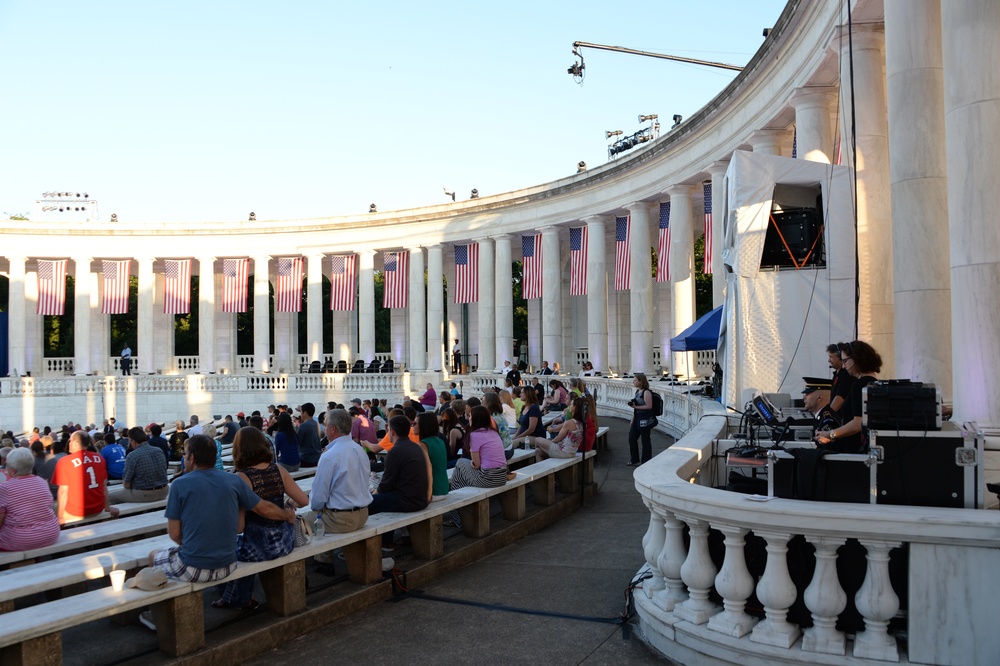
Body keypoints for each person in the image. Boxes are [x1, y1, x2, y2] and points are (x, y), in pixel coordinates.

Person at [215, 427, 309, 609]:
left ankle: (236, 598)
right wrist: (287, 503)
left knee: (226, 550)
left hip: (260, 547)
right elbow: (304, 501)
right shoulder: (278, 469)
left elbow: (239, 527)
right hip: (284, 541)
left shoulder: (242, 478)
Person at [368, 416, 431, 549]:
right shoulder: (416, 447)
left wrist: (373, 494)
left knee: (367, 503)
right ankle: (386, 541)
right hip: (420, 498)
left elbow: (385, 485)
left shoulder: (395, 451)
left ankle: (377, 544)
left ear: (392, 432)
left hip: (409, 501)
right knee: (382, 499)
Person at [815, 340, 882, 454]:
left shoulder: (859, 384)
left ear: (857, 359)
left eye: (845, 361)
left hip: (854, 450)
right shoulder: (874, 383)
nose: (843, 365)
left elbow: (857, 423)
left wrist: (830, 434)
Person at [52, 431, 120, 524]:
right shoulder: (99, 458)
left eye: (70, 441)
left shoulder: (64, 462)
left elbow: (63, 491)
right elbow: (104, 486)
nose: (69, 443)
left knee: (51, 508)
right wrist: (107, 508)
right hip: (97, 509)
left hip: (75, 512)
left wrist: (60, 517)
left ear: (75, 443)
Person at [0, 448, 61, 551]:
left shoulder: (5, 488)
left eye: (7, 465)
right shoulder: (42, 482)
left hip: (21, 540)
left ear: (13, 471)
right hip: (51, 534)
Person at [449, 406, 509, 490]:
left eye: (470, 416)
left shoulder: (474, 435)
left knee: (460, 462)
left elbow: (476, 464)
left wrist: (470, 464)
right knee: (463, 473)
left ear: (475, 419)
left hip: (488, 479)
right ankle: (458, 490)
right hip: (502, 477)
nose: (469, 418)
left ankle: (454, 490)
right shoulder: (493, 432)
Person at [110, 427, 169, 504]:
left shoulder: (133, 455)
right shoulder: (159, 451)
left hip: (144, 494)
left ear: (134, 442)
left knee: (109, 497)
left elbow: (126, 484)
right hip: (164, 491)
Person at [416, 413, 449, 500]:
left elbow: (424, 471)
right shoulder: (440, 441)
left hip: (433, 492)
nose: (412, 426)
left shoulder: (422, 445)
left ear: (423, 426)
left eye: (415, 424)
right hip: (444, 489)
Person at [627, 373, 655, 467]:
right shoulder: (638, 392)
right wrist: (633, 418)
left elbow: (649, 406)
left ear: (641, 381)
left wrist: (636, 407)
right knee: (632, 438)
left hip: (645, 419)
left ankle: (646, 460)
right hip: (637, 417)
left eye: (635, 380)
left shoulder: (646, 392)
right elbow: (636, 407)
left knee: (645, 440)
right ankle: (634, 458)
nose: (633, 382)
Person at [827, 343, 855, 418]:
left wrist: (827, 416)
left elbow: (840, 398)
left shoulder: (846, 375)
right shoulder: (837, 374)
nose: (829, 360)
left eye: (831, 357)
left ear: (839, 357)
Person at [296, 403, 323, 468]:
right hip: (317, 458)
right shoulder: (316, 424)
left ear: (305, 413)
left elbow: (297, 442)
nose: (300, 415)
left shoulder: (303, 425)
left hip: (306, 459)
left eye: (301, 412)